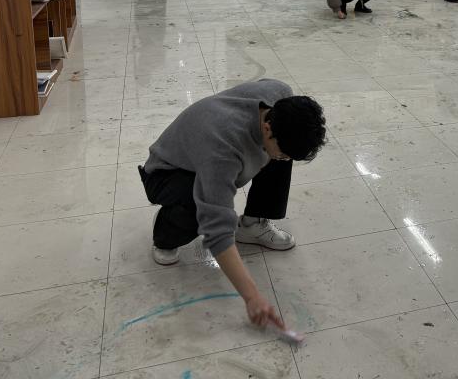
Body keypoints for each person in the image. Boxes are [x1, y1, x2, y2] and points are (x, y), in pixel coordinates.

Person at [138, 79, 326, 329]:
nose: (284, 158)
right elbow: (217, 230)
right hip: (167, 173)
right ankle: (166, 231)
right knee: (202, 207)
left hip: (209, 152)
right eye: (283, 153)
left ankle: (252, 224)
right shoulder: (222, 150)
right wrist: (252, 297)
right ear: (267, 127)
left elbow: (279, 144)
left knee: (280, 150)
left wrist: (281, 154)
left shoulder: (279, 96)